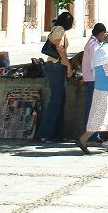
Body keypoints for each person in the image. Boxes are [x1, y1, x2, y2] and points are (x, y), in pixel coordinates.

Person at [37, 11, 74, 143]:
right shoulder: (59, 30)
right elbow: (59, 47)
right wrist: (68, 64)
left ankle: (56, 133)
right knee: (56, 100)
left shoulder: (58, 29)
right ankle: (45, 133)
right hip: (56, 66)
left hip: (56, 66)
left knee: (60, 100)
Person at [82, 23, 107, 143]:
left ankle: (93, 134)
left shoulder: (92, 43)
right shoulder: (94, 45)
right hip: (94, 79)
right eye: (104, 34)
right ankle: (92, 135)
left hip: (92, 78)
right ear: (101, 33)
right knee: (93, 108)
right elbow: (95, 64)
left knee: (93, 107)